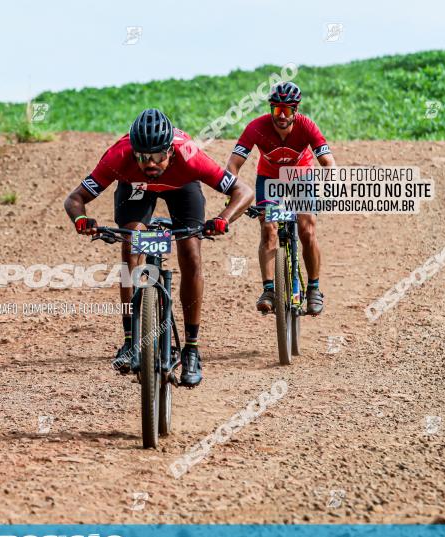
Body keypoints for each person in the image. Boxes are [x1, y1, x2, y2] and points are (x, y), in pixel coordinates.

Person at [63, 108, 253, 387]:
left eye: (157, 157)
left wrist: (223, 220)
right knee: (131, 246)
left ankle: (191, 348)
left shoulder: (189, 155)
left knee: (190, 252)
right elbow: (75, 198)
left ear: (170, 151)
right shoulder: (119, 156)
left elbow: (244, 191)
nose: (149, 163)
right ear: (133, 152)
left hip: (182, 186)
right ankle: (129, 340)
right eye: (142, 157)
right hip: (135, 189)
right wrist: (81, 219)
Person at [225, 82, 336, 315]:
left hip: (300, 174)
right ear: (271, 109)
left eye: (287, 110)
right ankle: (269, 290)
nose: (282, 116)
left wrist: (330, 184)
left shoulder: (307, 126)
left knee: (307, 229)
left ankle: (314, 288)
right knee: (268, 229)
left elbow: (328, 162)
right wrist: (231, 192)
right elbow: (234, 163)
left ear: (296, 111)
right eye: (277, 110)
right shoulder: (256, 127)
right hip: (269, 178)